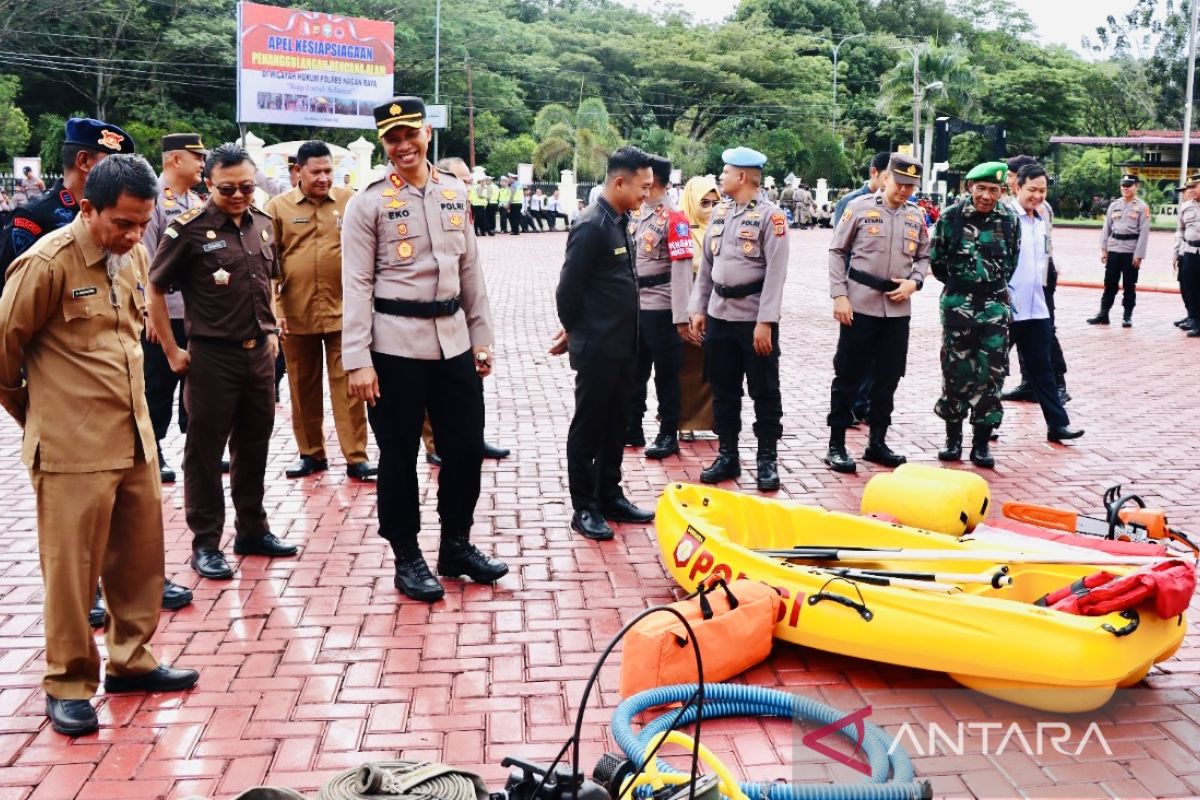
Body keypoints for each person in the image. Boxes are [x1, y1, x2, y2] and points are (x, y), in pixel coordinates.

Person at [0, 154, 200, 737]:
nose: (135, 235)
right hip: (70, 449)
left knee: (138, 564)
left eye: (142, 222)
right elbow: (4, 355)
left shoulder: (133, 254)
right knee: (72, 573)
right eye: (122, 223)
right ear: (87, 207)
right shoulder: (45, 263)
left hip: (133, 438)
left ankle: (131, 661)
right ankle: (67, 683)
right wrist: (38, 419)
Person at [342, 96, 507, 602]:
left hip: (453, 341)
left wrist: (482, 337)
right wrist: (358, 360)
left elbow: (471, 272)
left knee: (465, 447)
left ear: (426, 133)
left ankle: (455, 543)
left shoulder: (455, 193)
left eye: (410, 134)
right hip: (393, 348)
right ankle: (406, 555)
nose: (403, 145)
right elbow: (356, 283)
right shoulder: (366, 202)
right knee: (398, 456)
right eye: (392, 139)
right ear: (383, 144)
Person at [147, 143, 299, 581]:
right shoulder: (188, 229)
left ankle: (252, 530)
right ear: (209, 184)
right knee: (204, 453)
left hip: (259, 357)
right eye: (228, 188)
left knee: (254, 446)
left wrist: (271, 330)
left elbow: (270, 281)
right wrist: (172, 350)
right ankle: (206, 544)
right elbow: (154, 286)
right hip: (212, 357)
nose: (239, 195)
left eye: (247, 186)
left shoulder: (265, 225)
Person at [551, 145, 657, 541]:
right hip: (597, 347)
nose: (646, 194)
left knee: (617, 424)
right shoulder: (592, 224)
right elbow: (568, 290)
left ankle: (609, 494)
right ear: (619, 182)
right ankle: (585, 507)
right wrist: (575, 331)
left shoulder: (620, 219)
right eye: (642, 187)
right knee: (589, 426)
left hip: (623, 346)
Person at [264, 140, 376, 482]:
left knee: (350, 388)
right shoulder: (277, 207)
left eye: (329, 170)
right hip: (296, 313)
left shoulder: (349, 201)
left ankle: (356, 457)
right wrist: (275, 309)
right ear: (298, 172)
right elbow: (271, 263)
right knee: (302, 386)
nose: (325, 178)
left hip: (345, 313)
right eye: (317, 172)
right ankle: (311, 454)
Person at [688, 147, 789, 492]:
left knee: (764, 391)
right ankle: (728, 454)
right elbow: (707, 268)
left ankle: (766, 459)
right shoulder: (719, 213)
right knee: (723, 389)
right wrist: (698, 308)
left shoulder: (770, 216)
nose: (721, 177)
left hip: (754, 318)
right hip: (719, 316)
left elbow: (776, 273)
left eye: (726, 172)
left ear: (743, 176)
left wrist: (766, 321)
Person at [824, 153, 929, 474]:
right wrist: (839, 296)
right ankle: (837, 444)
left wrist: (915, 282)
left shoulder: (916, 216)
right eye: (900, 183)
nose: (904, 191)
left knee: (888, 378)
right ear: (885, 179)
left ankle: (877, 443)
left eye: (911, 186)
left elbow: (924, 256)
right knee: (848, 376)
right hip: (859, 305)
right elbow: (837, 251)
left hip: (897, 311)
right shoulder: (859, 209)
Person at [420, 156, 512, 466]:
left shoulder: (462, 208)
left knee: (474, 379)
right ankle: (434, 445)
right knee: (431, 387)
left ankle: (474, 436)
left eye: (469, 181)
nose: (467, 186)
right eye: (462, 180)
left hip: (460, 314)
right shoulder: (430, 208)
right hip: (428, 318)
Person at [930, 161, 1019, 468]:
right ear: (970, 187)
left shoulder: (1009, 220)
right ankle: (952, 439)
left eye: (993, 190)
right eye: (981, 188)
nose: (986, 196)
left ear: (1001, 191)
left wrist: (987, 290)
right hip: (957, 307)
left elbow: (1011, 262)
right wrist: (964, 289)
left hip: (994, 309)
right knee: (955, 373)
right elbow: (937, 262)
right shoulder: (951, 218)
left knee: (992, 376)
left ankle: (981, 444)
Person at [141, 133, 209, 486]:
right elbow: (143, 261)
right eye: (196, 157)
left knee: (195, 386)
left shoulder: (196, 200)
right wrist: (149, 313)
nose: (202, 163)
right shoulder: (151, 200)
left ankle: (194, 450)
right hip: (163, 312)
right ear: (175, 159)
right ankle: (153, 451)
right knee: (157, 386)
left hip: (194, 312)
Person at [1, 118, 136, 292]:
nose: (124, 175)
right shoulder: (33, 218)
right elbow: (7, 294)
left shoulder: (113, 217)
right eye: (115, 165)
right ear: (84, 161)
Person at [1007, 163, 1083, 444]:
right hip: (1007, 307)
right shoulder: (1005, 217)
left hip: (1036, 306)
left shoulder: (1040, 220)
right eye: (1032, 190)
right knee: (993, 369)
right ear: (1017, 187)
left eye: (1043, 190)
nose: (1038, 196)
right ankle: (985, 426)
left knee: (1042, 367)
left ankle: (1058, 424)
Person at [626, 154, 695, 459]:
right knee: (634, 371)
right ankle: (632, 426)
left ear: (654, 180)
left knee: (666, 374)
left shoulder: (674, 219)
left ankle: (668, 433)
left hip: (664, 309)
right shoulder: (638, 214)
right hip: (637, 307)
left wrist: (682, 317)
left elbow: (682, 269)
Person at [1000, 155, 1069, 405]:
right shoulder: (1009, 205)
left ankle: (1058, 383)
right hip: (1020, 278)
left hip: (1038, 278)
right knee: (1019, 333)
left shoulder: (1039, 208)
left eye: (1010, 174)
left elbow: (1041, 246)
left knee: (1043, 331)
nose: (1006, 179)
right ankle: (1029, 383)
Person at [832, 152, 891, 426]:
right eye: (888, 176)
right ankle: (849, 407)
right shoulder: (852, 202)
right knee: (853, 353)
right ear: (874, 173)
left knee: (881, 356)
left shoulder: (903, 204)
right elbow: (839, 248)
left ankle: (863, 405)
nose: (895, 182)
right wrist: (842, 291)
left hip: (887, 296)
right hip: (856, 290)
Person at [676, 176, 718, 440]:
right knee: (689, 368)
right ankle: (686, 422)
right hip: (690, 304)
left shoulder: (723, 228)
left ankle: (712, 419)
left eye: (715, 202)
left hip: (718, 306)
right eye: (704, 203)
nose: (711, 209)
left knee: (715, 366)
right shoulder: (681, 230)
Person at [1089, 173, 1151, 328]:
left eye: (1129, 185)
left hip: (1130, 251)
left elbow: (1144, 232)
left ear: (1137, 186)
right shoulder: (1114, 205)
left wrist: (1139, 254)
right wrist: (1104, 249)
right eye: (1123, 185)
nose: (1125, 188)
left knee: (1129, 285)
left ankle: (1127, 315)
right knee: (1109, 283)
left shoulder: (1142, 207)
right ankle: (1104, 314)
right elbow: (1106, 228)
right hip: (1114, 249)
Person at [1174, 172, 1200, 336]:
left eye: (1194, 187)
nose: (1191, 190)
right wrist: (1177, 252)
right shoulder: (1187, 206)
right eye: (1189, 187)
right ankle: (1196, 320)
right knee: (1192, 286)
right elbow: (1181, 230)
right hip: (1190, 251)